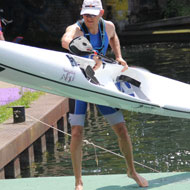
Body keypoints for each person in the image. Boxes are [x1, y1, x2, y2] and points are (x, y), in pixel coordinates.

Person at [61, 0, 148, 189]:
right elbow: (65, 40)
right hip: (82, 84)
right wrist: (76, 46)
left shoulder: (108, 27)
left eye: (92, 14)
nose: (88, 17)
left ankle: (131, 171)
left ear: (101, 12)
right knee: (76, 132)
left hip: (102, 83)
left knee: (122, 129)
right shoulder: (76, 29)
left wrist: (118, 56)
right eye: (85, 14)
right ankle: (78, 181)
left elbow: (114, 37)